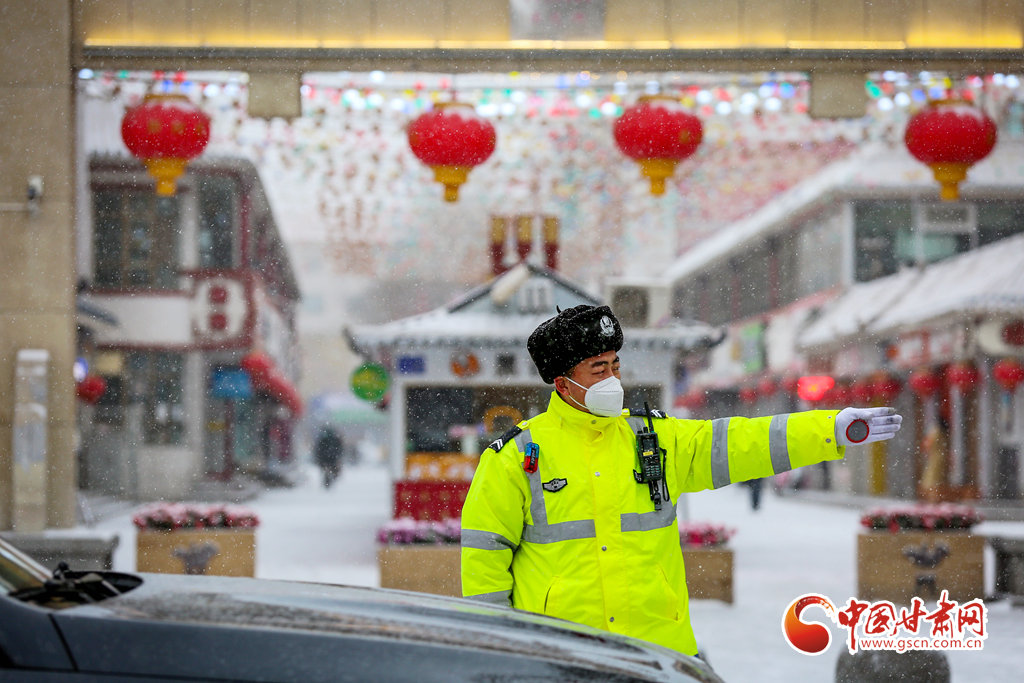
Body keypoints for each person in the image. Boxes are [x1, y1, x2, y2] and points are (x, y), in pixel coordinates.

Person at [460, 304, 902, 657]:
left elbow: (739, 443)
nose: (613, 379)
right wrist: (505, 650)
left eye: (616, 365)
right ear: (562, 384)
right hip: (565, 656)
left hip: (659, 653)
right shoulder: (516, 458)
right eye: (598, 370)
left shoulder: (652, 438)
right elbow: (483, 561)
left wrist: (830, 430)